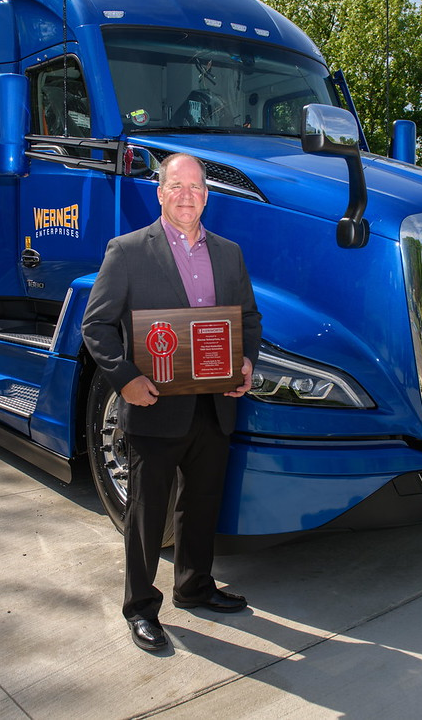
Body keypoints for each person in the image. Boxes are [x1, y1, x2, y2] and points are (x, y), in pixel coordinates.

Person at [81, 153, 262, 652]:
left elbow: (248, 318)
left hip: (215, 403)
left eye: (197, 186)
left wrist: (245, 361)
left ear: (208, 195)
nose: (187, 194)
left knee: (201, 503)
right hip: (156, 403)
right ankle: (140, 607)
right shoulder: (128, 250)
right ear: (159, 192)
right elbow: (95, 325)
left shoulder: (229, 253)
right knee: (147, 512)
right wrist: (125, 380)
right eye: (176, 185)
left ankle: (194, 586)